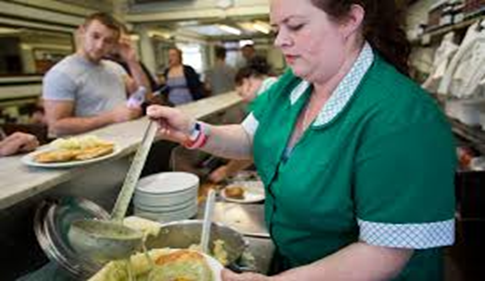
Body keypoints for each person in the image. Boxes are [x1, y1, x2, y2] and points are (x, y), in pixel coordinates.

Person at [147, 0, 456, 280]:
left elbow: (383, 253)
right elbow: (250, 138)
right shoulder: (293, 84)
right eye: (276, 28)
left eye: (295, 26)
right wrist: (193, 130)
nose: (280, 40)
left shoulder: (402, 119)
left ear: (350, 19)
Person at [42, 12, 146, 137]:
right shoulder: (61, 73)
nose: (100, 46)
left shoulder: (115, 68)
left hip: (123, 140)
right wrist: (111, 117)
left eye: (108, 41)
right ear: (82, 32)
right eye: (95, 36)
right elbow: (56, 126)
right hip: (91, 150)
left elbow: (142, 93)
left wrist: (132, 61)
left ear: (114, 45)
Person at [208, 59, 278, 183]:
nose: (244, 99)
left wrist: (226, 170)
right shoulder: (273, 88)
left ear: (247, 82)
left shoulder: (270, 92)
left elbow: (254, 146)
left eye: (241, 94)